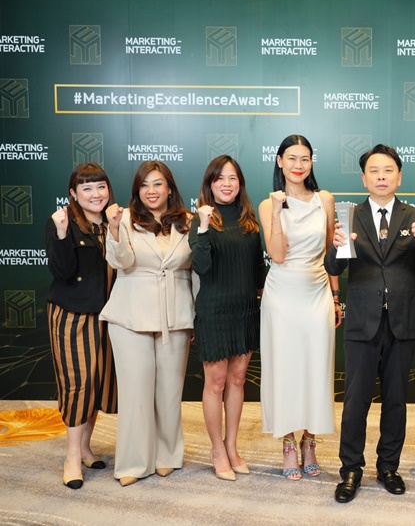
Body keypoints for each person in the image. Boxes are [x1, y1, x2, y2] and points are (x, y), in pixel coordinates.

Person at [324, 144, 415, 503]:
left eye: (388, 170)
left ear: (399, 177)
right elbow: (333, 267)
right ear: (364, 178)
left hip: (402, 322)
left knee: (395, 400)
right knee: (355, 401)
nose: (381, 176)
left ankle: (389, 467)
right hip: (363, 322)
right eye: (374, 171)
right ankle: (351, 470)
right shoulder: (350, 215)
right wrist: (337, 246)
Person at [100, 161, 194, 487]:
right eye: (144, 185)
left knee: (169, 392)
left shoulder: (188, 221)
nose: (151, 191)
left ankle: (167, 455)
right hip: (130, 315)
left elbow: (195, 269)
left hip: (176, 315)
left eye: (157, 184)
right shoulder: (124, 218)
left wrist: (196, 316)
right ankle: (133, 461)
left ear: (170, 188)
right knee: (135, 393)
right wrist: (113, 230)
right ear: (137, 190)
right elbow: (121, 261)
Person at [259, 135, 341, 480]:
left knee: (316, 367)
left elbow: (330, 253)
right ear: (279, 161)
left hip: (317, 291)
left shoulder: (325, 199)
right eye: (291, 158)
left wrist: (335, 296)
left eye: (304, 158)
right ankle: (288, 443)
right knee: (285, 368)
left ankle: (310, 440)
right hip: (282, 295)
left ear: (311, 163)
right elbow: (277, 255)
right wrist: (279, 212)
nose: (298, 165)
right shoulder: (268, 204)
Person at [190, 155, 266, 481]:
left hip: (245, 310)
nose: (226, 183)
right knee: (216, 382)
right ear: (210, 184)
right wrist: (204, 227)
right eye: (219, 178)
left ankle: (232, 447)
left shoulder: (249, 219)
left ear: (240, 183)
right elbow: (202, 266)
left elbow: (258, 268)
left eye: (232, 178)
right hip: (215, 312)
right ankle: (217, 450)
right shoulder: (201, 220)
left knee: (237, 380)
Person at [45, 163, 118, 489]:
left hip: (108, 316)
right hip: (73, 316)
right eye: (86, 188)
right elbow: (62, 271)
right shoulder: (63, 221)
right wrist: (62, 234)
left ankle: (86, 448)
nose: (95, 194)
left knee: (98, 383)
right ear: (73, 194)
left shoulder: (114, 220)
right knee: (78, 385)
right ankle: (72, 457)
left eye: (100, 186)